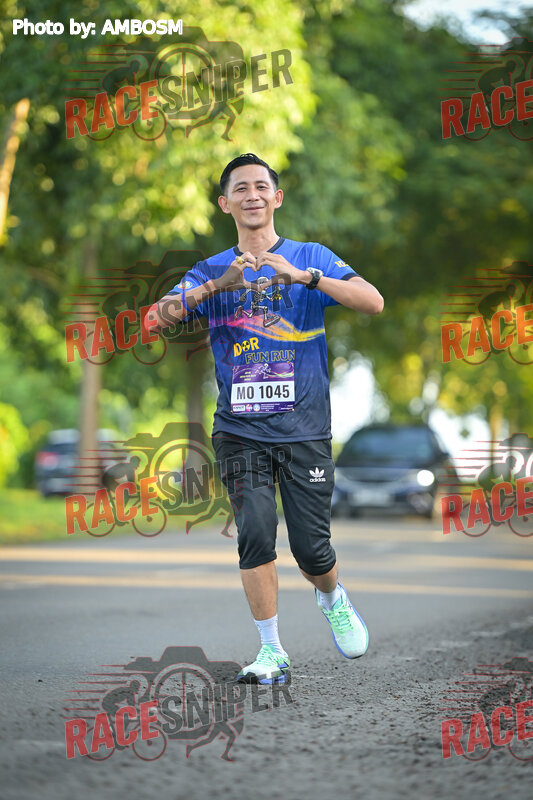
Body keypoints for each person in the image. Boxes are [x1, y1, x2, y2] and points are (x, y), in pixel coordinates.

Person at [146, 153, 384, 685]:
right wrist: (218, 286)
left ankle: (332, 597)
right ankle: (272, 651)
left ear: (277, 198)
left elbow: (373, 302)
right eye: (240, 188)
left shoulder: (310, 256)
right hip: (240, 430)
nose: (252, 195)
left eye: (261, 187)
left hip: (305, 428)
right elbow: (153, 320)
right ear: (224, 203)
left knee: (311, 550)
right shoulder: (209, 271)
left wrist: (307, 278)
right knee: (254, 532)